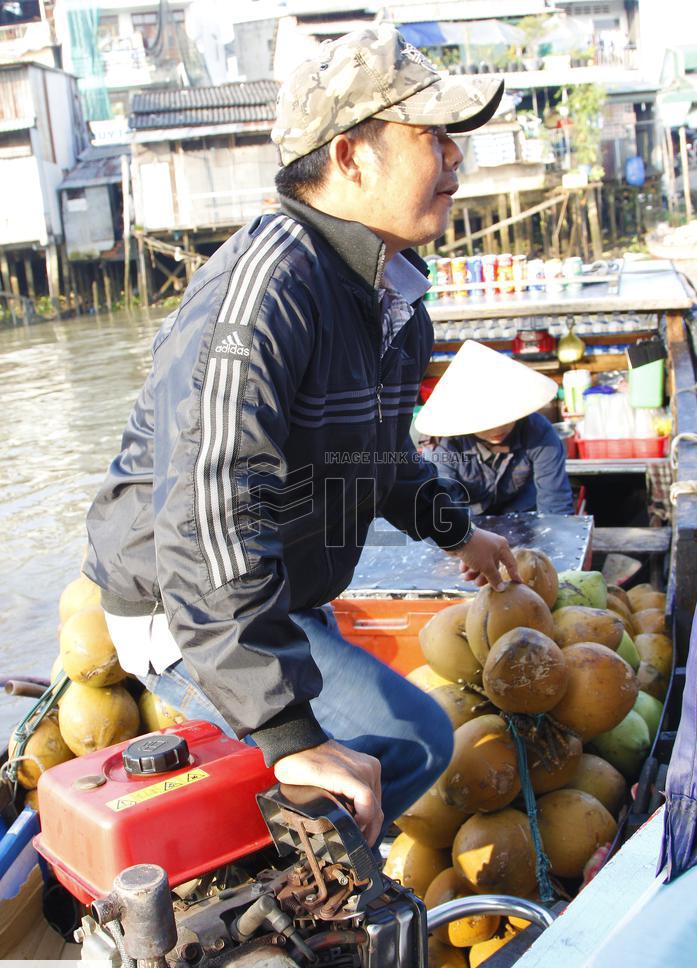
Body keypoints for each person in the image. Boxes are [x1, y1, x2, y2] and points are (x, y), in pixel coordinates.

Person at [83, 24, 519, 847]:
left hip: (274, 584)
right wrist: (292, 735)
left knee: (383, 738)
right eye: (434, 139)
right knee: (412, 739)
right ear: (352, 156)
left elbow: (375, 458)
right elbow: (207, 518)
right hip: (185, 603)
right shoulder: (266, 290)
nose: (457, 162)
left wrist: (458, 529)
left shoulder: (387, 297)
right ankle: (288, 897)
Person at [418, 340, 575, 516]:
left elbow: (554, 502)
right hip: (469, 518)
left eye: (506, 418)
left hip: (523, 512)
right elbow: (446, 508)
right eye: (486, 423)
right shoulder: (444, 444)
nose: (497, 428)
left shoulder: (538, 431)